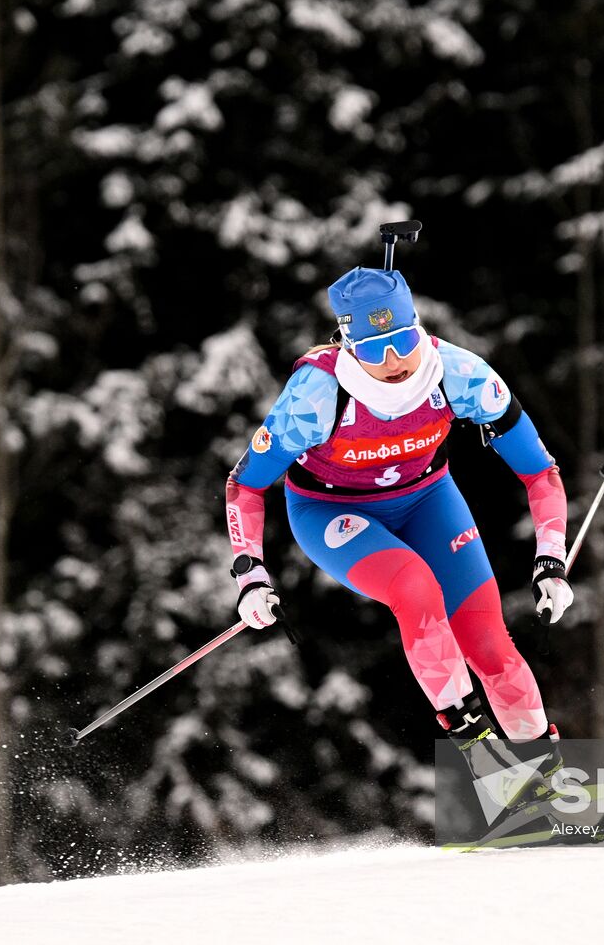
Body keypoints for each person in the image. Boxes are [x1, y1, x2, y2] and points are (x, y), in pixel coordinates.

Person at [223, 265, 575, 815]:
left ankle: (547, 787)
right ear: (346, 343)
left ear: (419, 328)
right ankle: (488, 768)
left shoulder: (460, 374)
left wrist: (551, 559)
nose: (391, 363)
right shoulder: (316, 392)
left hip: (428, 498)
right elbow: (246, 483)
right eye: (371, 348)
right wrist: (250, 572)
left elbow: (540, 473)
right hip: (331, 511)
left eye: (402, 341)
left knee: (490, 646)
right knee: (414, 588)